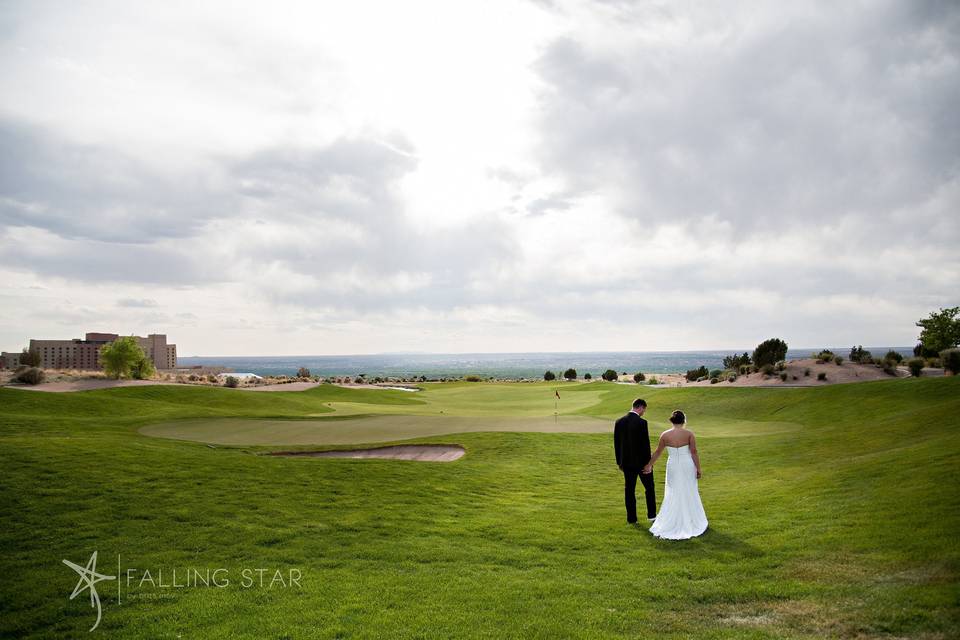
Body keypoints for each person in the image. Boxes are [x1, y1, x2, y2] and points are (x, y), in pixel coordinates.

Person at [645, 410, 708, 539]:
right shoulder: (689, 434)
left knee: (673, 491)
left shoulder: (665, 435)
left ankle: (674, 520)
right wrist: (698, 468)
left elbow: (657, 452)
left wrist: (649, 464)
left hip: (673, 465)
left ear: (671, 421)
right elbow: (694, 452)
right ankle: (691, 519)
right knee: (689, 490)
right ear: (683, 420)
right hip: (687, 465)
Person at [614, 398, 656, 523]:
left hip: (626, 464)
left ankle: (631, 519)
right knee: (649, 488)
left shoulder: (619, 422)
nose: (644, 412)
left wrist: (619, 462)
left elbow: (617, 444)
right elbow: (645, 445)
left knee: (629, 491)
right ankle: (652, 515)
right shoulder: (642, 423)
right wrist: (649, 464)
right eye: (644, 409)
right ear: (640, 407)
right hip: (642, 464)